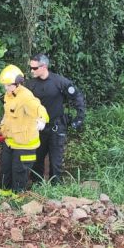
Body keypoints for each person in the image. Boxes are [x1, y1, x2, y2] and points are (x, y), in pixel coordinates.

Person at [24, 53, 85, 184]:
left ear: (44, 66)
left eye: (34, 68)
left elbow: (77, 96)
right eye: (31, 68)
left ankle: (55, 187)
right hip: (38, 127)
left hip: (56, 127)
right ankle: (37, 185)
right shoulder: (30, 85)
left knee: (56, 160)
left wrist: (79, 117)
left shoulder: (60, 82)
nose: (31, 71)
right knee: (37, 159)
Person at [0, 65, 49, 196]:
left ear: (18, 83)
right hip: (11, 142)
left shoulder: (26, 97)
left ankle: (17, 201)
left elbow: (38, 108)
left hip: (25, 145)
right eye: (5, 85)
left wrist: (42, 119)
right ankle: (3, 197)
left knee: (19, 173)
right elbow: (8, 115)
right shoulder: (9, 95)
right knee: (5, 171)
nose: (6, 88)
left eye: (8, 85)